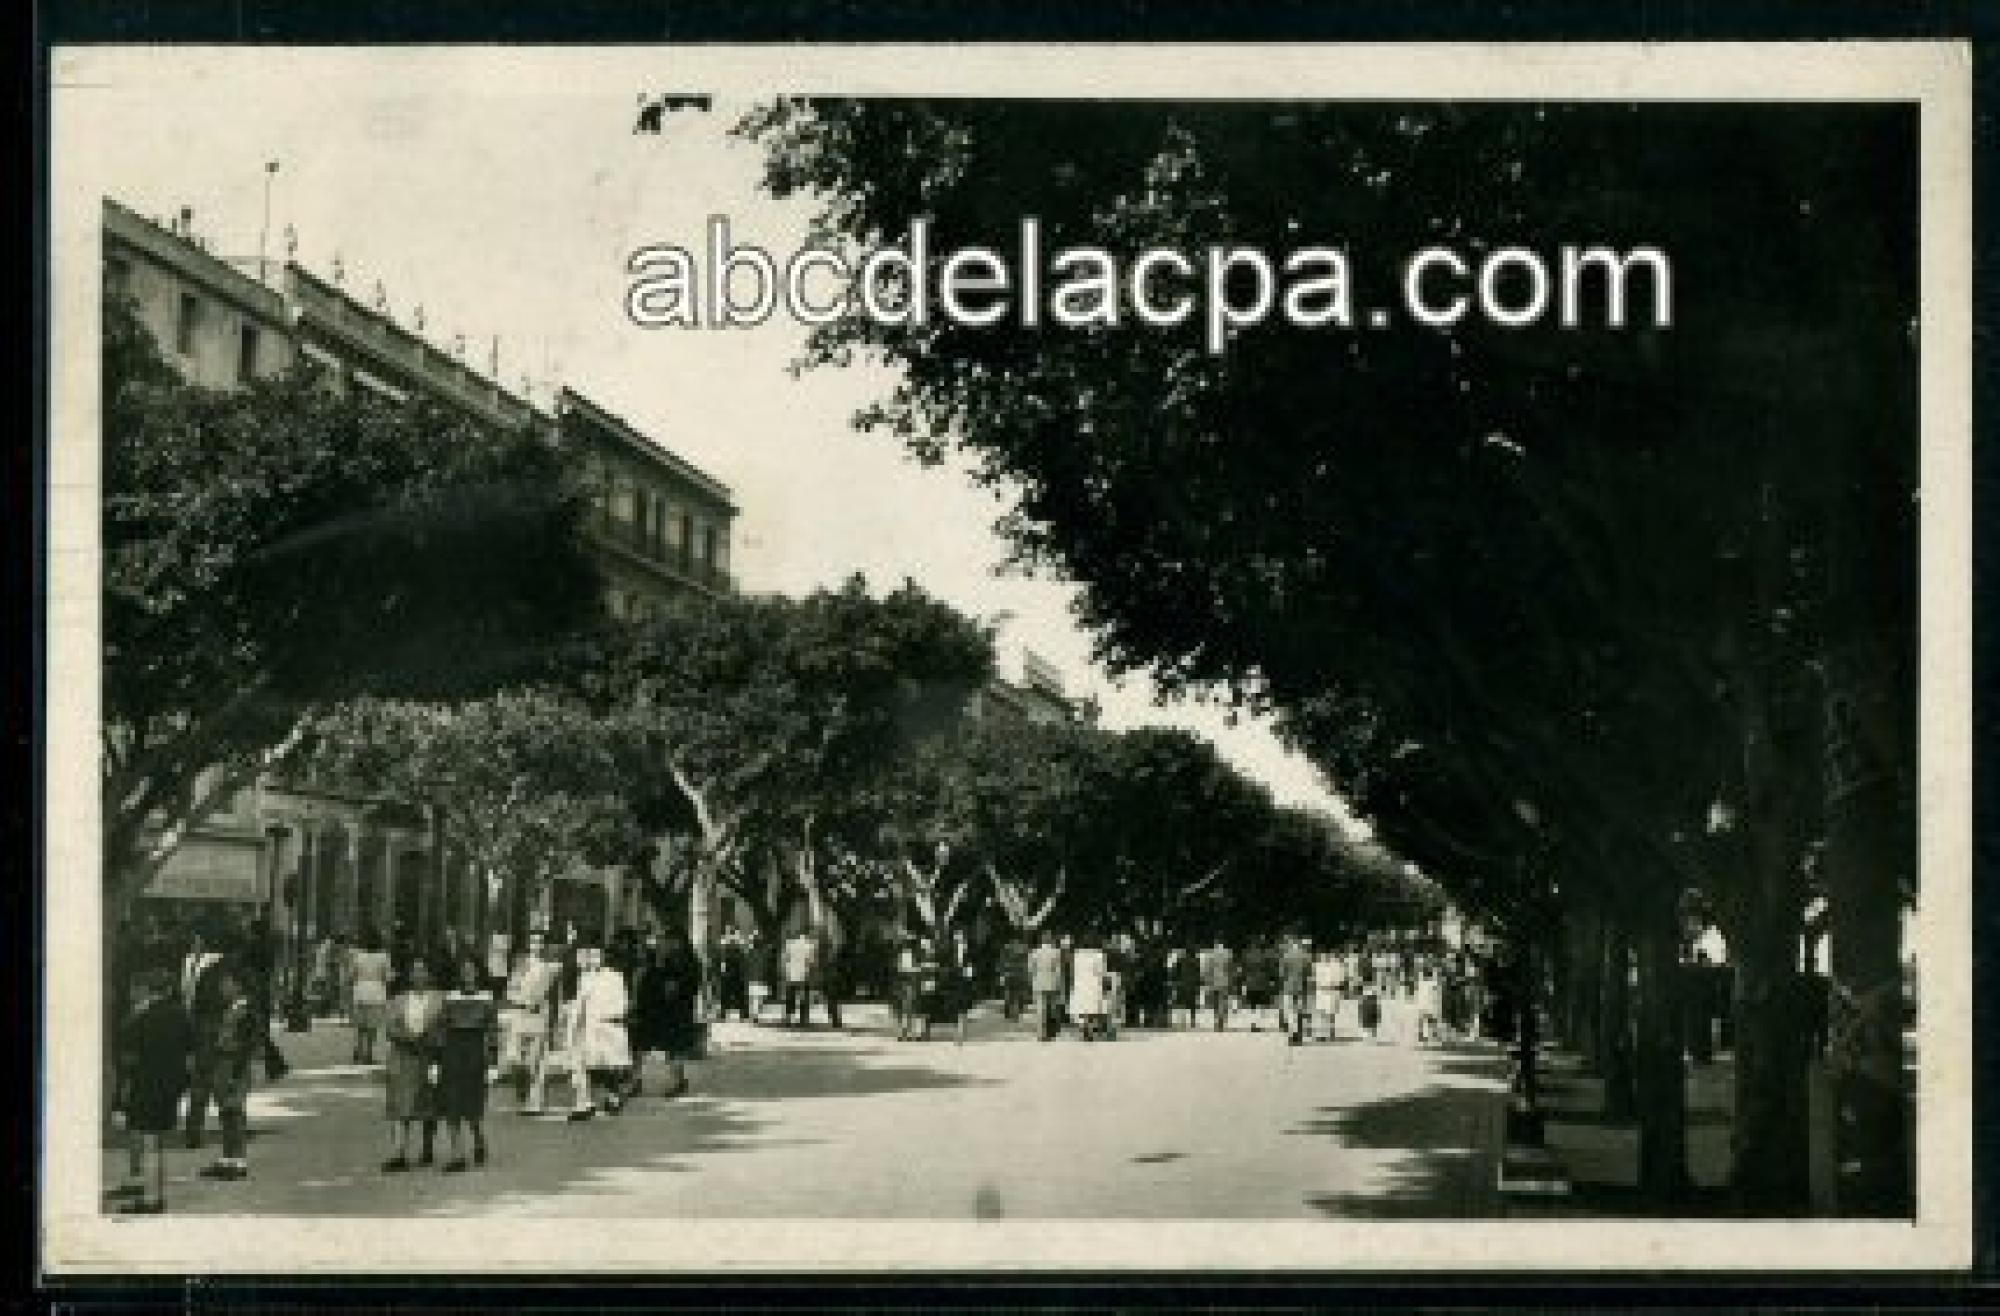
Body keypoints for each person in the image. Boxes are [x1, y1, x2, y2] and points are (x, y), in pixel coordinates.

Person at [113, 967, 194, 1213]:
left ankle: (150, 1199)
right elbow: (191, 1055)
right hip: (171, 1086)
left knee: (146, 1139)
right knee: (157, 1141)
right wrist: (181, 1083)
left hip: (144, 1084)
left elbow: (128, 1058)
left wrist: (124, 1087)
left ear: (147, 990)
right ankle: (155, 1195)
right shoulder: (182, 1015)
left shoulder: (139, 1018)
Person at [382, 956, 445, 1171]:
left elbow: (445, 1027)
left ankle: (427, 1147)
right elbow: (390, 1029)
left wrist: (431, 1041)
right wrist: (409, 1038)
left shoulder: (440, 999)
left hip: (429, 1056)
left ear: (429, 975)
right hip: (402, 1056)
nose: (418, 975)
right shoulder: (397, 1001)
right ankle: (399, 1153)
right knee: (400, 1105)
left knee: (430, 1104)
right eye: (414, 971)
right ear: (409, 975)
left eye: (423, 970)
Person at [197, 964, 258, 1182]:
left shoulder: (246, 1009)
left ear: (238, 985)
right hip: (223, 1061)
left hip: (234, 1063)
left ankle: (238, 1160)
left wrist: (237, 1071)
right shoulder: (231, 1007)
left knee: (234, 1110)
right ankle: (227, 1157)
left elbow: (248, 1042)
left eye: (227, 982)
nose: (222, 987)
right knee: (226, 1110)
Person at [436, 957, 496, 1171]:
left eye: (471, 969)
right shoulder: (450, 997)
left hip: (475, 1052)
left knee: (472, 1105)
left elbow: (492, 1030)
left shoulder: (486, 997)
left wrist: (492, 1061)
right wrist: (437, 1058)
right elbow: (441, 1027)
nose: (467, 974)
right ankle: (457, 1155)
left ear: (478, 973)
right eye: (463, 970)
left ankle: (478, 1139)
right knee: (451, 1101)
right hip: (453, 1051)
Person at [570, 943, 633, 1119]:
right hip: (590, 1027)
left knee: (609, 1067)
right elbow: (580, 1004)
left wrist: (612, 1016)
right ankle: (585, 1104)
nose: (595, 960)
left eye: (598, 956)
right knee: (588, 1066)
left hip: (609, 1026)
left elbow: (622, 1002)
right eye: (592, 956)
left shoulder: (615, 977)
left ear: (604, 957)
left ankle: (613, 1098)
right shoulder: (585, 978)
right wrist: (575, 1026)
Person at [178, 923, 225, 1149]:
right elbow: (185, 989)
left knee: (204, 1080)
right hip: (196, 1022)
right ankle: (195, 1130)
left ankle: (195, 1130)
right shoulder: (187, 961)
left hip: (208, 1023)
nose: (195, 943)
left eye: (198, 939)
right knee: (203, 1080)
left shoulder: (217, 962)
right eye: (193, 939)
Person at [503, 932, 561, 1112]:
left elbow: (554, 997)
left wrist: (553, 1021)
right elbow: (510, 990)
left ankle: (535, 1101)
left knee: (536, 1059)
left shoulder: (551, 968)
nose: (537, 945)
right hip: (520, 1015)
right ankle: (522, 1080)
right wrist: (517, 1001)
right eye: (533, 942)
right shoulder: (520, 965)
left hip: (540, 1016)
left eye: (540, 942)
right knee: (515, 1058)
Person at [348, 930, 392, 1065]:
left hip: (360, 992)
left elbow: (351, 975)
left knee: (360, 1025)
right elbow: (387, 977)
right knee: (373, 1026)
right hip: (377, 993)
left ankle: (359, 1050)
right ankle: (369, 1053)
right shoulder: (384, 957)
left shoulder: (357, 956)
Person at [1068, 935, 1111, 1041]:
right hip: (1093, 983)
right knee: (1092, 1009)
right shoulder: (1099, 956)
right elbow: (1102, 972)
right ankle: (1089, 1028)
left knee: (1083, 1008)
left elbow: (1073, 971)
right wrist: (1106, 983)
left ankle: (1085, 1026)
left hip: (1080, 983)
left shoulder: (1077, 955)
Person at [896, 936, 939, 1042]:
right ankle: (907, 1032)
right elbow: (902, 969)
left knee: (920, 1009)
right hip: (912, 983)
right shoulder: (910, 955)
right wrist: (918, 969)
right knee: (910, 1008)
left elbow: (935, 968)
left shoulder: (927, 956)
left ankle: (920, 1032)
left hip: (921, 984)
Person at [1027, 930, 1065, 1042]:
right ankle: (1050, 1031)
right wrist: (1059, 985)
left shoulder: (1034, 953)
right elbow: (1058, 971)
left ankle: (1040, 1033)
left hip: (1038, 982)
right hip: (1052, 982)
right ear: (1051, 940)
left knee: (1040, 1009)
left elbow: (1031, 970)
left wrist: (1032, 981)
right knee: (1051, 1008)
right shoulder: (1056, 952)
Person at [1279, 934, 1314, 1045]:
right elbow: (1309, 973)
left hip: (1289, 986)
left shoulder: (1287, 956)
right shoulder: (1307, 957)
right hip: (1302, 987)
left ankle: (1292, 1033)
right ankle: (1299, 1035)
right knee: (1300, 1011)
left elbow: (1282, 974)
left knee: (1289, 1011)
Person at [780, 929, 817, 1029]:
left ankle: (788, 1019)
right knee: (803, 998)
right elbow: (812, 961)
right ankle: (803, 1020)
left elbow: (784, 960)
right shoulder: (809, 945)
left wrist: (785, 972)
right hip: (804, 974)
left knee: (790, 998)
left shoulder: (789, 944)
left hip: (791, 974)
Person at [1241, 938, 1278, 1032]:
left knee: (1252, 1005)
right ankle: (1257, 1023)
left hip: (1250, 982)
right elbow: (1270, 969)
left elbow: (1243, 969)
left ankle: (1253, 1023)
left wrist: (1243, 980)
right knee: (1260, 1005)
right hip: (1262, 982)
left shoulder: (1247, 955)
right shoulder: (1264, 956)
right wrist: (1272, 980)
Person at [715, 928, 752, 1022]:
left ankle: (739, 1013)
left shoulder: (726, 941)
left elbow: (743, 957)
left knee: (732, 992)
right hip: (732, 969)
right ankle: (741, 1013)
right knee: (729, 992)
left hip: (734, 969)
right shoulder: (738, 941)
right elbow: (744, 956)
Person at [1200, 939, 1236, 1032]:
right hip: (1224, 980)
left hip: (1213, 982)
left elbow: (1206, 969)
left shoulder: (1210, 955)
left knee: (1216, 1002)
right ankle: (1221, 1018)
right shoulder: (1228, 953)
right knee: (1223, 1001)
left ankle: (1217, 1019)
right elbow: (1231, 968)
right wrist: (1232, 980)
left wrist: (1206, 980)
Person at [1169, 946, 1201, 1029]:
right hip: (1189, 985)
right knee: (1190, 1004)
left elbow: (1174, 973)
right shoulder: (1195, 962)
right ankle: (1191, 1021)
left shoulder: (1180, 962)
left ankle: (1186, 1021)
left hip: (1184, 985)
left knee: (1185, 1003)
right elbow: (1198, 974)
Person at [1414, 963, 1444, 1046]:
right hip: (1429, 1004)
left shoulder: (1422, 983)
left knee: (1423, 1021)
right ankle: (1433, 1036)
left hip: (1423, 1004)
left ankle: (1422, 1036)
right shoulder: (1433, 984)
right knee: (1431, 1021)